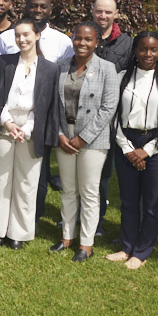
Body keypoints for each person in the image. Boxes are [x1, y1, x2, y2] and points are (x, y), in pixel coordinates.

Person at [107, 32, 158, 270]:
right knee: (129, 200)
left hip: (157, 143)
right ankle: (126, 246)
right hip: (126, 140)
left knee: (152, 201)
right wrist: (128, 148)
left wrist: (148, 150)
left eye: (153, 50)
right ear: (135, 50)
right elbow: (113, 115)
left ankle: (141, 251)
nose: (148, 54)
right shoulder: (121, 77)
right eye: (143, 49)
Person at [0, 0, 73, 216]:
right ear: (25, 7)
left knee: (36, 174)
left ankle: (32, 218)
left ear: (50, 10)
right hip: (6, 117)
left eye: (43, 6)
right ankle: (2, 217)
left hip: (40, 118)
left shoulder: (62, 41)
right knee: (2, 174)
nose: (38, 10)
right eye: (33, 6)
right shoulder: (7, 38)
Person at [0, 18, 60, 249]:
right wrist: (7, 122)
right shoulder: (4, 62)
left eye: (26, 34)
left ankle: (19, 232)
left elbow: (45, 104)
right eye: (17, 35)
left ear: (37, 36)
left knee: (27, 183)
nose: (21, 39)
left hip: (31, 129)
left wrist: (26, 128)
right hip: (3, 125)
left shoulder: (50, 68)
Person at [51, 22, 119, 262]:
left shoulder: (107, 69)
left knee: (89, 191)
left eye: (88, 39)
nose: (82, 43)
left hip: (92, 139)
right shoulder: (60, 67)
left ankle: (86, 243)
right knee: (68, 190)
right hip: (64, 137)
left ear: (97, 42)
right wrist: (60, 134)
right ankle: (67, 236)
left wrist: (82, 138)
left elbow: (108, 108)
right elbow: (52, 106)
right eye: (78, 38)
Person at [91, 0, 132, 240]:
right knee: (75, 174)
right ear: (92, 11)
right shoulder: (82, 34)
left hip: (110, 120)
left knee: (102, 175)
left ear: (116, 14)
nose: (103, 16)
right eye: (99, 11)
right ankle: (72, 216)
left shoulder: (126, 43)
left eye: (108, 12)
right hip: (80, 114)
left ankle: (97, 220)